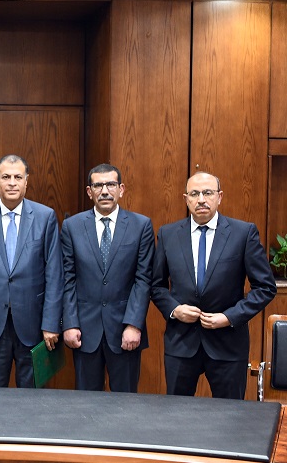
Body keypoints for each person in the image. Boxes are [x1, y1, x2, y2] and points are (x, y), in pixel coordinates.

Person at [152, 171, 276, 399]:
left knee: (229, 415)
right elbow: (156, 285)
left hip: (228, 344)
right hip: (181, 344)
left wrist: (229, 317)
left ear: (220, 197)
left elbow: (265, 287)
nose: (201, 199)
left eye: (207, 193)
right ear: (185, 199)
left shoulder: (243, 233)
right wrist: (174, 309)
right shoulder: (168, 234)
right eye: (194, 194)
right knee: (176, 414)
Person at [0, 154, 62, 388]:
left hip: (34, 327)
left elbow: (54, 275)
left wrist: (51, 323)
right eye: (6, 177)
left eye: (18, 177)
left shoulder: (45, 217)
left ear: (26, 181)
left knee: (32, 399)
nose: (12, 183)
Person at [61, 164, 155, 392]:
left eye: (111, 184)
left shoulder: (141, 225)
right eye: (98, 185)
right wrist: (70, 323)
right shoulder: (72, 226)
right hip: (84, 331)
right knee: (86, 404)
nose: (105, 191)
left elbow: (143, 280)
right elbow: (68, 279)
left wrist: (133, 324)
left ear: (121, 189)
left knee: (125, 402)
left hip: (125, 331)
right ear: (89, 191)